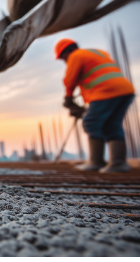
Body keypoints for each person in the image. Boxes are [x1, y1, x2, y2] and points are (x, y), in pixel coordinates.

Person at [55, 38, 135, 173]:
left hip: (106, 92)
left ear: (65, 53)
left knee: (90, 123)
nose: (64, 62)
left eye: (62, 59)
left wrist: (68, 99)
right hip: (125, 90)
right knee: (112, 125)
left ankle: (96, 162)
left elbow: (69, 80)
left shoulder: (75, 56)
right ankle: (118, 163)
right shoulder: (97, 52)